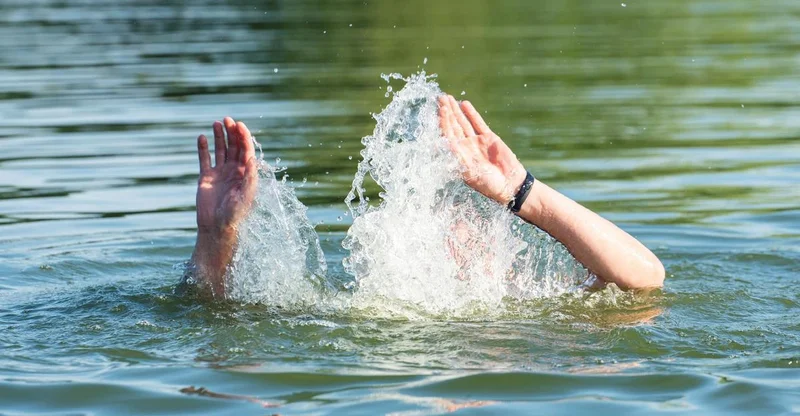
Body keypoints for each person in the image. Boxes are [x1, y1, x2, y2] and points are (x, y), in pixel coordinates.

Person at [186, 97, 665, 298]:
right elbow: (214, 316)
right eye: (435, 213)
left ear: (498, 240)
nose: (451, 228)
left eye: (466, 212)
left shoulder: (527, 302)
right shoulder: (367, 310)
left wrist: (524, 192)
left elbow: (645, 279)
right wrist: (217, 235)